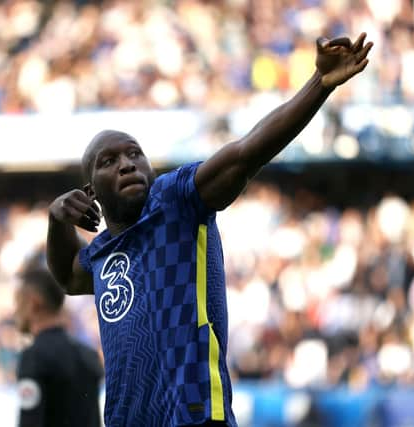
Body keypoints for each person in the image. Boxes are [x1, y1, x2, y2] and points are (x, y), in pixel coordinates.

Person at [46, 33, 373, 427]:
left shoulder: (175, 200)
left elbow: (245, 153)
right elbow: (66, 275)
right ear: (91, 191)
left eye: (135, 153)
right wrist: (56, 219)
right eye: (109, 160)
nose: (127, 164)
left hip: (194, 416)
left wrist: (318, 85)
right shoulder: (101, 254)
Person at [14, 268, 104, 427]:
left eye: (18, 301)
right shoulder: (88, 354)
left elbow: (30, 421)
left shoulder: (34, 357)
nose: (15, 311)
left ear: (33, 302)